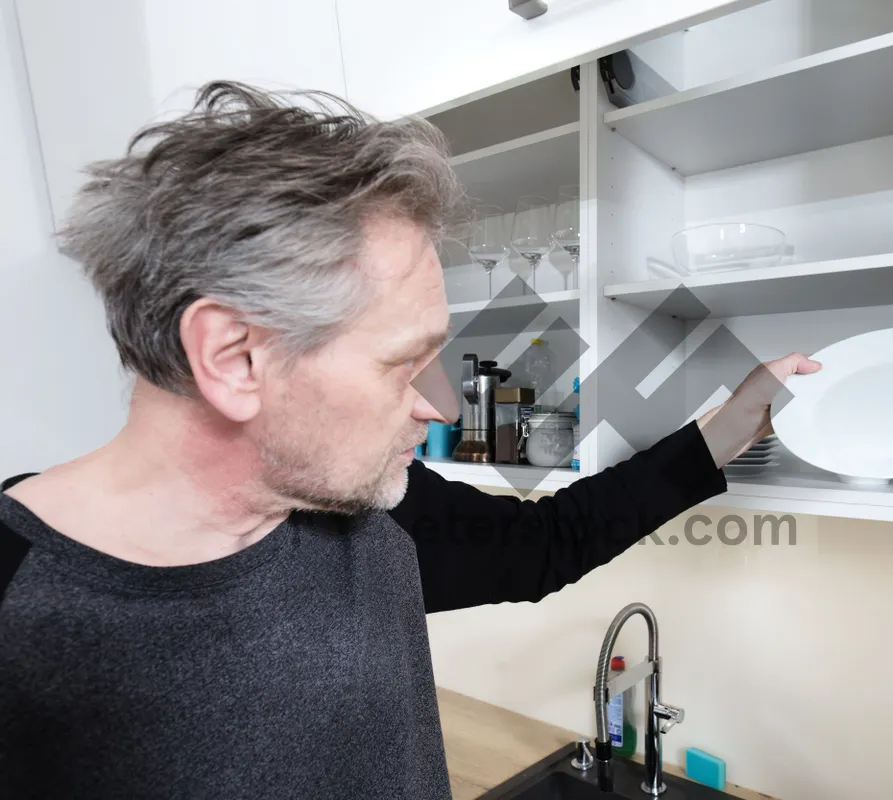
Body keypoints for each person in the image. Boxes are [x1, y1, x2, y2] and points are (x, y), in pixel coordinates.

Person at [0, 82, 819, 799]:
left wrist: (730, 425)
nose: (441, 407)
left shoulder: (362, 513)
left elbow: (547, 544)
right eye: (405, 363)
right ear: (235, 358)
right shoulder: (20, 607)